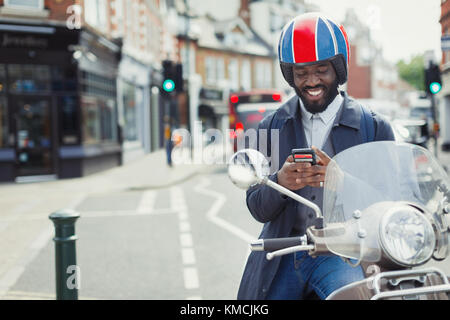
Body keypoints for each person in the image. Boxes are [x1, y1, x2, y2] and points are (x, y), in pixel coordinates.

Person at [237, 12, 395, 300]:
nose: (311, 81)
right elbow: (257, 208)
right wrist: (280, 182)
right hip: (284, 251)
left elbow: (390, 206)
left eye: (321, 69)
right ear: (290, 74)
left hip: (343, 253)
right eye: (301, 72)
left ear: (338, 69)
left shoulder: (374, 125)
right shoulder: (269, 126)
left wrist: (340, 180)